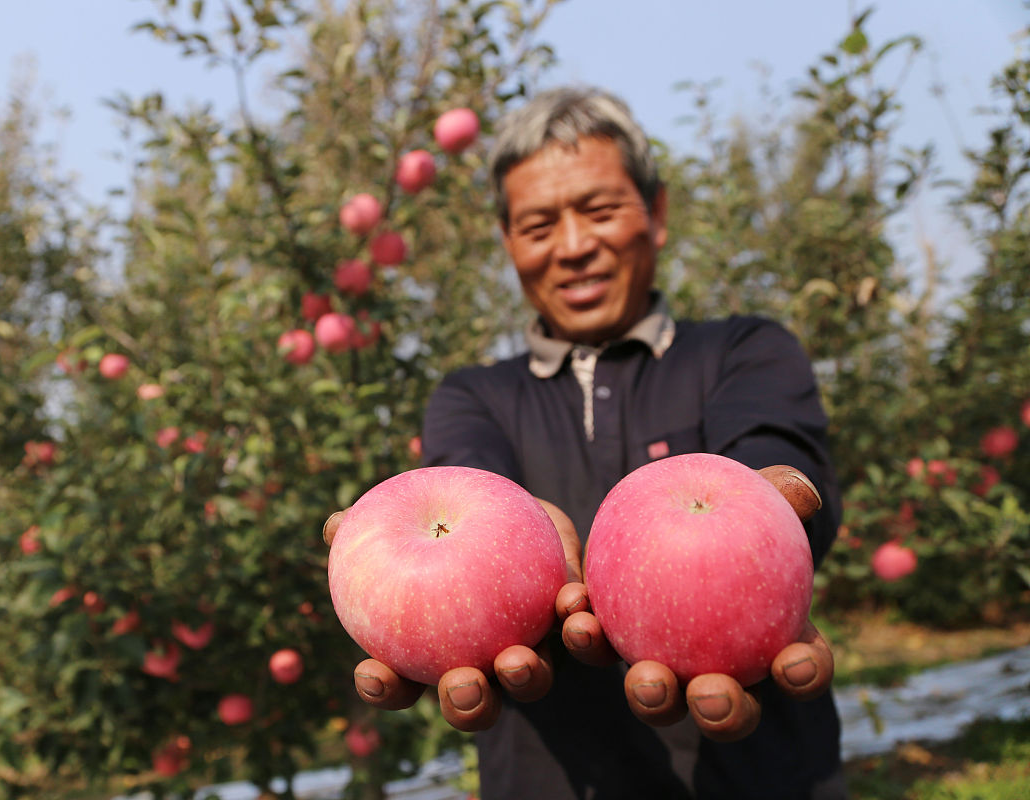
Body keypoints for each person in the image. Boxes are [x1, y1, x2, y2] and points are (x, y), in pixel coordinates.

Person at [323, 86, 845, 799]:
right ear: (508, 243)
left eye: (599, 211)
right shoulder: (475, 395)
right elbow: (465, 487)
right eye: (538, 225)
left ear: (656, 214)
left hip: (764, 776)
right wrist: (481, 560)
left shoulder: (743, 351)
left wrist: (760, 513)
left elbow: (775, 455)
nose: (573, 248)